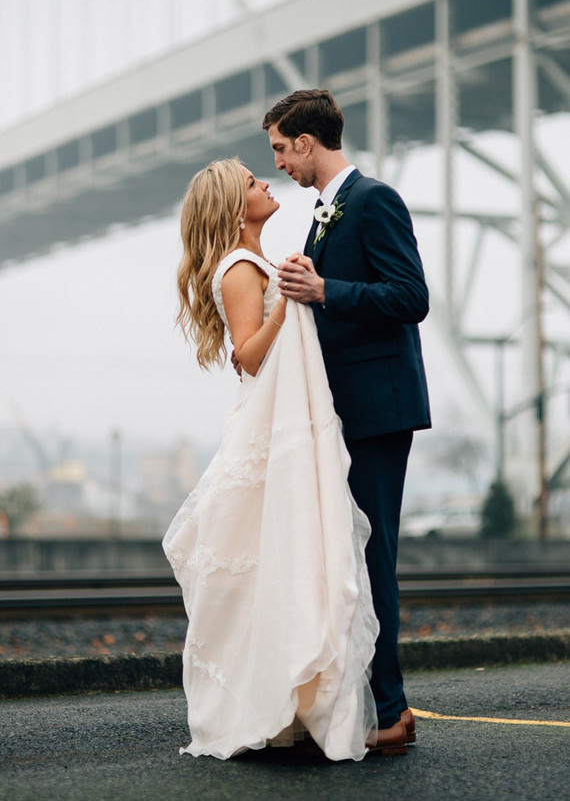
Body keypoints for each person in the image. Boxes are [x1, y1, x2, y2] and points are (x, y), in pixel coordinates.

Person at [162, 158, 381, 761]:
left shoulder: (255, 263)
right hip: (269, 427)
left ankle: (288, 697)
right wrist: (287, 300)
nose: (265, 181)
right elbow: (250, 356)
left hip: (285, 423)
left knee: (288, 561)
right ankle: (271, 698)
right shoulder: (239, 269)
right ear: (236, 207)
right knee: (276, 559)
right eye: (252, 180)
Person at [262, 88, 431, 754]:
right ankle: (378, 702)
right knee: (355, 557)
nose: (276, 161)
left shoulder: (374, 199)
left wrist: (326, 288)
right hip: (347, 410)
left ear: (307, 142)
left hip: (379, 409)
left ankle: (390, 712)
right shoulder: (325, 212)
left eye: (279, 147)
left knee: (373, 557)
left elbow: (410, 295)